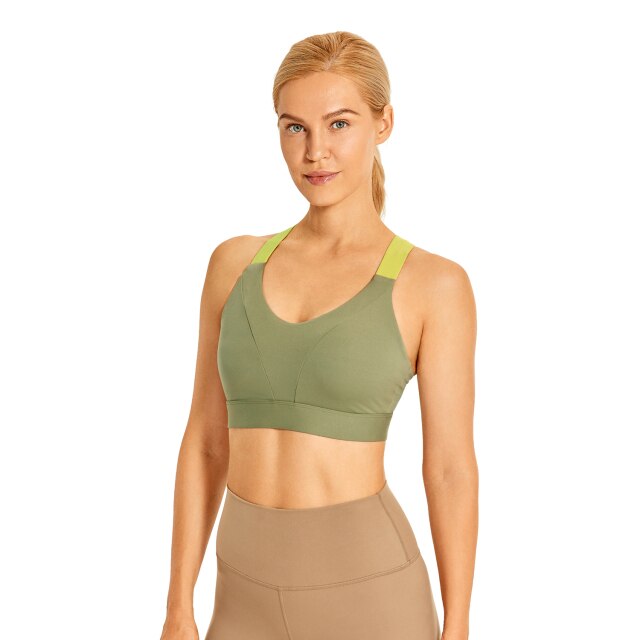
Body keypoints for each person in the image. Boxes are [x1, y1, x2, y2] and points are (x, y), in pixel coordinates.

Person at [160, 31, 478, 640]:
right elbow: (204, 442)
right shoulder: (233, 265)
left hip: (370, 594)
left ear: (383, 123)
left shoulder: (433, 285)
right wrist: (178, 606)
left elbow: (449, 470)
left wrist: (458, 626)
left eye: (339, 124)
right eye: (295, 128)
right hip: (242, 598)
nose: (315, 152)